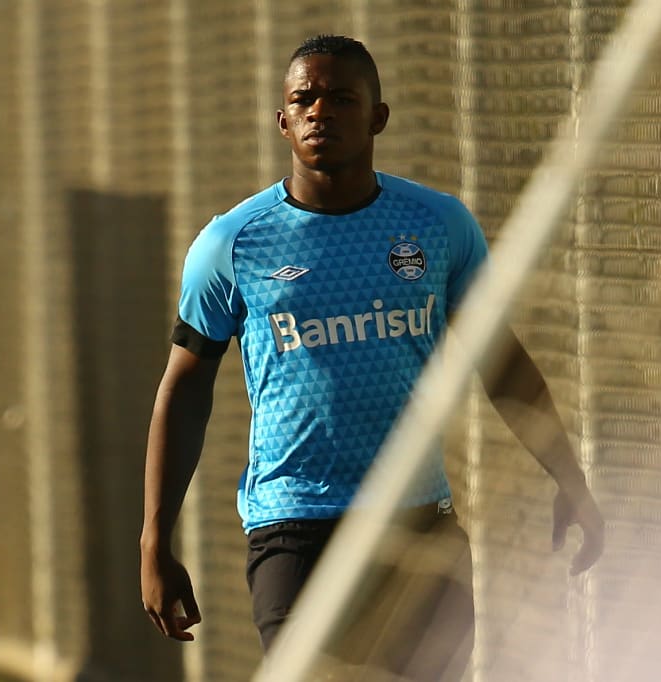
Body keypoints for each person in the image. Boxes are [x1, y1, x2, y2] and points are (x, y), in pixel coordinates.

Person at [139, 34, 604, 680]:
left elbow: (498, 361)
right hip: (294, 527)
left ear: (378, 116)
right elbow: (184, 390)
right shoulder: (232, 245)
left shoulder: (437, 227)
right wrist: (154, 541)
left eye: (341, 98)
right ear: (282, 121)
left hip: (417, 523)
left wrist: (568, 474)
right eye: (303, 99)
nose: (319, 112)